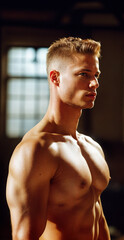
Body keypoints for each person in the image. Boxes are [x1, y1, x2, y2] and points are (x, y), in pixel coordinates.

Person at [6, 37, 111, 240]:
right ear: (55, 78)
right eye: (84, 74)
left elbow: (98, 218)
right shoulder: (36, 150)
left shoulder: (92, 147)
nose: (94, 83)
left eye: (96, 75)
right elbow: (23, 236)